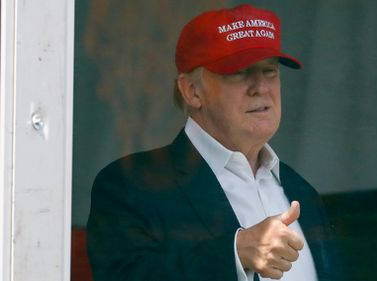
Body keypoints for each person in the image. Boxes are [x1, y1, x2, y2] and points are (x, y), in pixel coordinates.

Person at [87, 4, 341, 281]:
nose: (261, 87)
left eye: (270, 71)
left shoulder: (302, 192)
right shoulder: (130, 185)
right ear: (192, 91)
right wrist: (235, 253)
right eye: (239, 72)